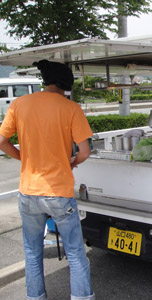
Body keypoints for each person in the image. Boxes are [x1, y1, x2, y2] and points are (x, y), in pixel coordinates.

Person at [0, 60, 95, 300]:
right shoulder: (70, 108)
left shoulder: (19, 104)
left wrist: (24, 158)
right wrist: (71, 163)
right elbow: (84, 151)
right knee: (75, 252)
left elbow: (2, 141)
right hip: (59, 193)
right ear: (65, 85)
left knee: (32, 253)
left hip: (29, 192)